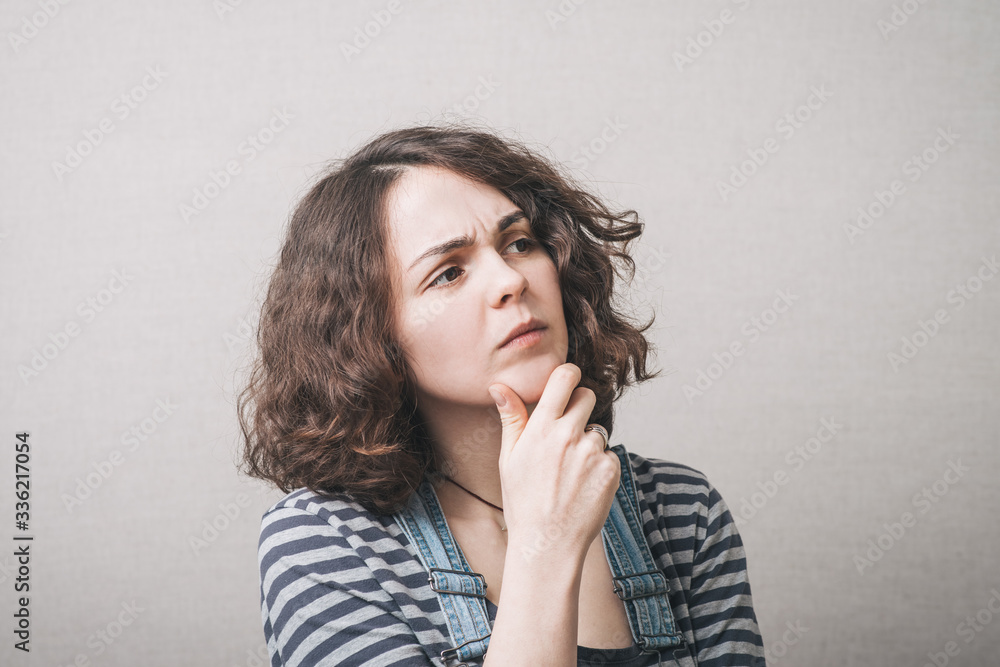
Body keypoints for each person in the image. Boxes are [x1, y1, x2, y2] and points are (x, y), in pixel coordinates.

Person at [239, 123, 766, 666]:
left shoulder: (684, 513)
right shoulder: (324, 544)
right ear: (372, 338)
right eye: (447, 273)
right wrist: (546, 545)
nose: (510, 280)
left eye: (519, 243)